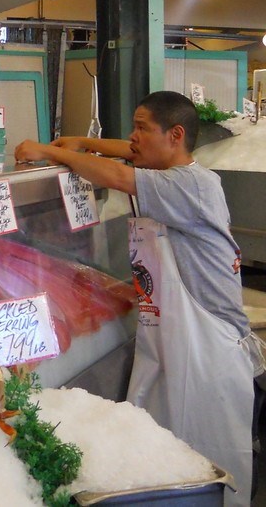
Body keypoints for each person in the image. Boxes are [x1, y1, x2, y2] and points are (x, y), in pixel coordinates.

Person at [15, 91, 262, 507]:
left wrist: (43, 149)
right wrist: (84, 141)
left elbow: (117, 176)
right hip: (173, 340)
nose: (133, 138)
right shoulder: (170, 166)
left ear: (175, 135)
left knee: (207, 454)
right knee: (167, 451)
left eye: (142, 128)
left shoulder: (189, 184)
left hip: (210, 350)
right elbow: (128, 152)